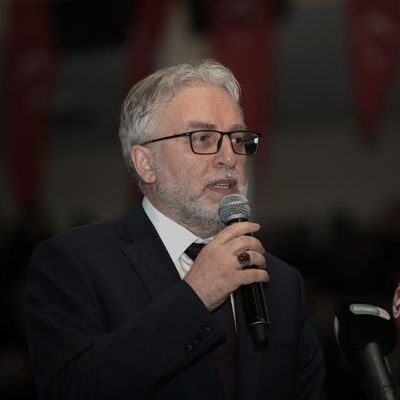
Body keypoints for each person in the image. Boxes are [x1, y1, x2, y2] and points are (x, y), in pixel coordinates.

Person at [25, 60, 325, 399]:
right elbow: (72, 389)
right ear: (146, 163)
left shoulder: (281, 282)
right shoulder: (75, 263)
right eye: (203, 138)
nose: (229, 157)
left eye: (237, 138)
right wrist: (195, 297)